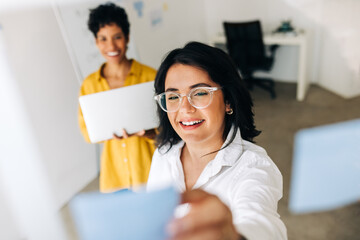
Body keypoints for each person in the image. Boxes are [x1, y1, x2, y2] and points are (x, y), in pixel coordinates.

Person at [147, 42, 287, 239]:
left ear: (228, 101)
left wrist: (234, 236)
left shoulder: (255, 168)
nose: (185, 108)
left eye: (200, 93)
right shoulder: (164, 154)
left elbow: (262, 224)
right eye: (173, 96)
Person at [78, 2, 156, 193]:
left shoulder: (151, 77)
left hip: (150, 170)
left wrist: (150, 133)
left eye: (117, 37)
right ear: (96, 42)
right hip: (115, 176)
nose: (111, 45)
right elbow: (88, 132)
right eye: (103, 39)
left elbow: (170, 129)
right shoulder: (90, 84)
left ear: (127, 38)